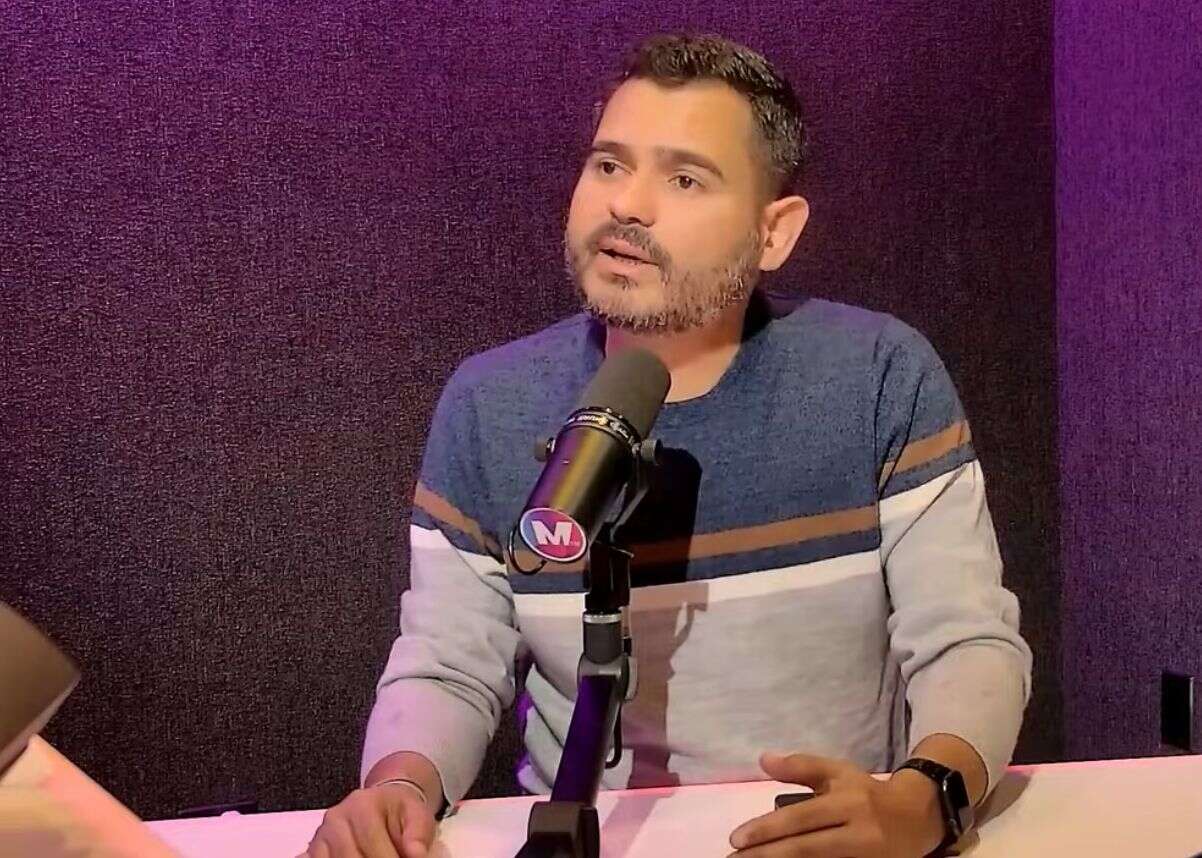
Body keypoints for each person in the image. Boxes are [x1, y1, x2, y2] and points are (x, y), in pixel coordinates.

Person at [303, 33, 1032, 858]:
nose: (628, 205)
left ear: (774, 233)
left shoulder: (876, 374)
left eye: (685, 179)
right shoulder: (490, 402)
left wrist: (925, 799)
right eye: (609, 165)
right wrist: (397, 789)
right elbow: (448, 665)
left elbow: (967, 640)